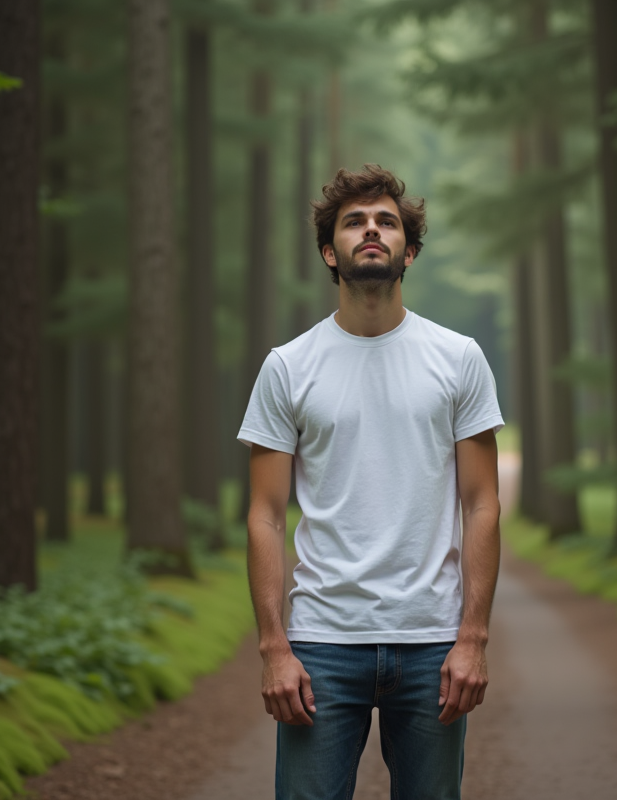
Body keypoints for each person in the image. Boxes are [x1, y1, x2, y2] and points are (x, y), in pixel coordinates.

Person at [238, 164, 504, 800]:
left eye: (386, 222)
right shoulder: (288, 367)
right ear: (330, 252)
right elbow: (265, 515)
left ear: (408, 252)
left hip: (432, 641)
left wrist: (472, 638)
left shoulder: (459, 358)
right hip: (322, 643)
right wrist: (274, 648)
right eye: (354, 222)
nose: (371, 230)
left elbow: (482, 504)